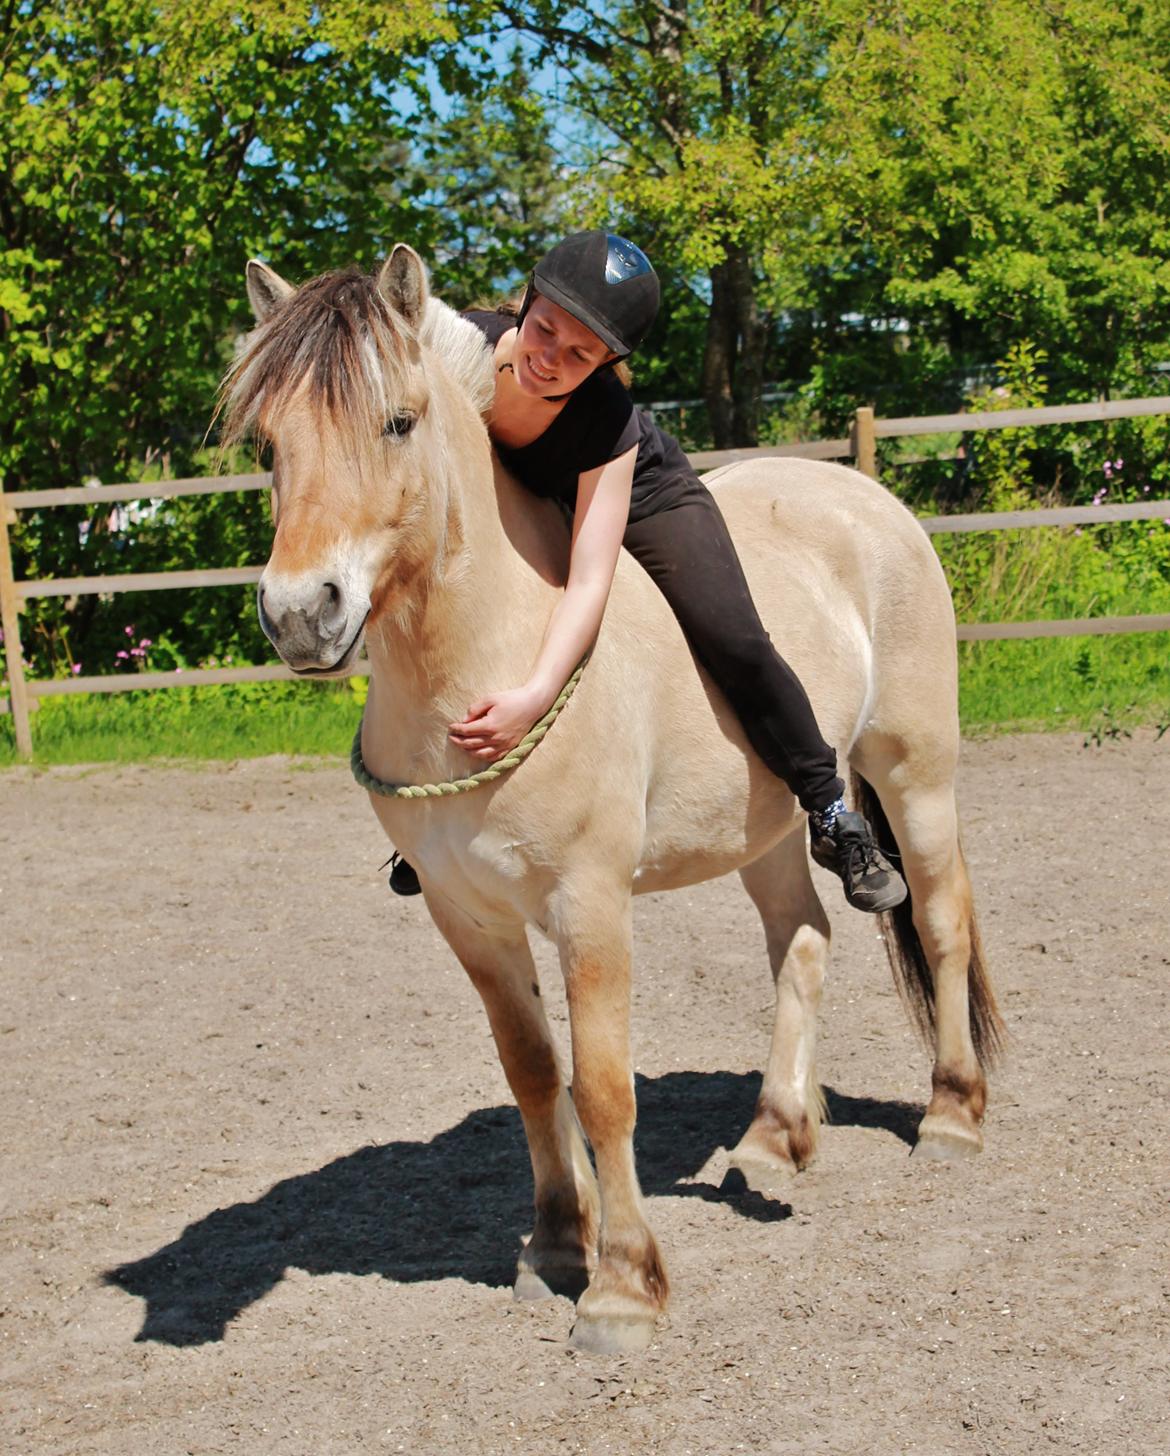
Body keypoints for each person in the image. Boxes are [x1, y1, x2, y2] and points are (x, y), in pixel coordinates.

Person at [388, 231, 906, 914]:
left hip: (642, 501)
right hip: (534, 498)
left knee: (734, 639)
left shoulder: (606, 418)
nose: (552, 360)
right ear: (526, 306)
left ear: (607, 363)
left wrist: (537, 694)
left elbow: (590, 581)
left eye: (581, 355)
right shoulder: (464, 357)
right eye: (545, 332)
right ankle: (430, 820)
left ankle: (831, 810)